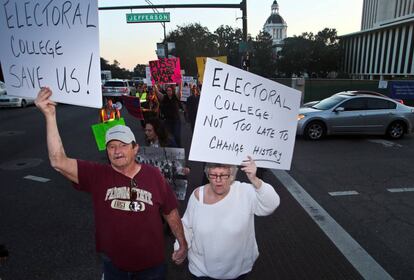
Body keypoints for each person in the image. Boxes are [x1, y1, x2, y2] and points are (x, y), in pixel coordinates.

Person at [35, 87, 187, 280]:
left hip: (152, 267)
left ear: (135, 148)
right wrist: (50, 116)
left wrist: (182, 242)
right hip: (115, 267)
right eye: (112, 146)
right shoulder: (97, 174)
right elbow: (58, 161)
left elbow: (170, 211)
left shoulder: (154, 175)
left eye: (123, 145)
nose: (117, 151)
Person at [175, 157, 280, 279]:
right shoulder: (198, 195)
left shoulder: (244, 192)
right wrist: (180, 247)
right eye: (213, 175)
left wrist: (255, 180)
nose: (218, 180)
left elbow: (271, 204)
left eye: (224, 175)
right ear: (207, 175)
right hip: (201, 270)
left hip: (237, 271)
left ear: (232, 175)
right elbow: (187, 226)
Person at [155, 83, 182, 147]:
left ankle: (178, 148)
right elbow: (157, 92)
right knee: (169, 137)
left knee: (177, 136)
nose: (169, 91)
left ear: (172, 91)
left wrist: (180, 82)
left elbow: (180, 91)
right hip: (167, 121)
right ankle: (172, 150)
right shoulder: (164, 97)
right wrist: (154, 84)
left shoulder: (176, 97)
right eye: (167, 90)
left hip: (176, 120)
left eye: (170, 90)